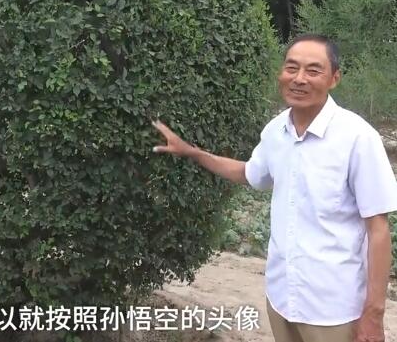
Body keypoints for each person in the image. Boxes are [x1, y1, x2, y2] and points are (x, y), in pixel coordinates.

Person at [151, 34, 397, 342]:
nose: (299, 78)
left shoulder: (357, 137)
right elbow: (248, 173)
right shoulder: (276, 132)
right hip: (282, 299)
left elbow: (378, 230)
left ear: (334, 78)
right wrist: (192, 152)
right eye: (292, 68)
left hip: (334, 310)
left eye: (313, 70)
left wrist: (373, 313)